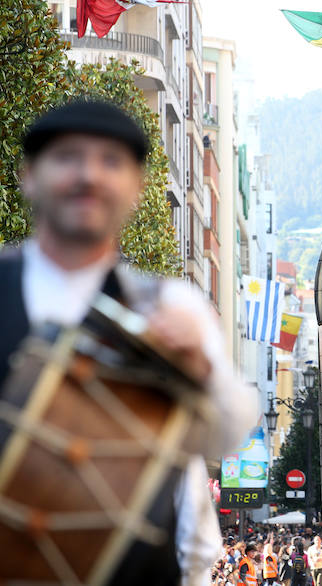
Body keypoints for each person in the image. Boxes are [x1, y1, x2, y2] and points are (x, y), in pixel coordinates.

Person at [0, 100, 256, 584]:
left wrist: (199, 371)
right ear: (29, 176)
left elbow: (229, 434)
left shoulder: (173, 305)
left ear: (137, 189)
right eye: (68, 157)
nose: (89, 175)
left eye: (111, 161)